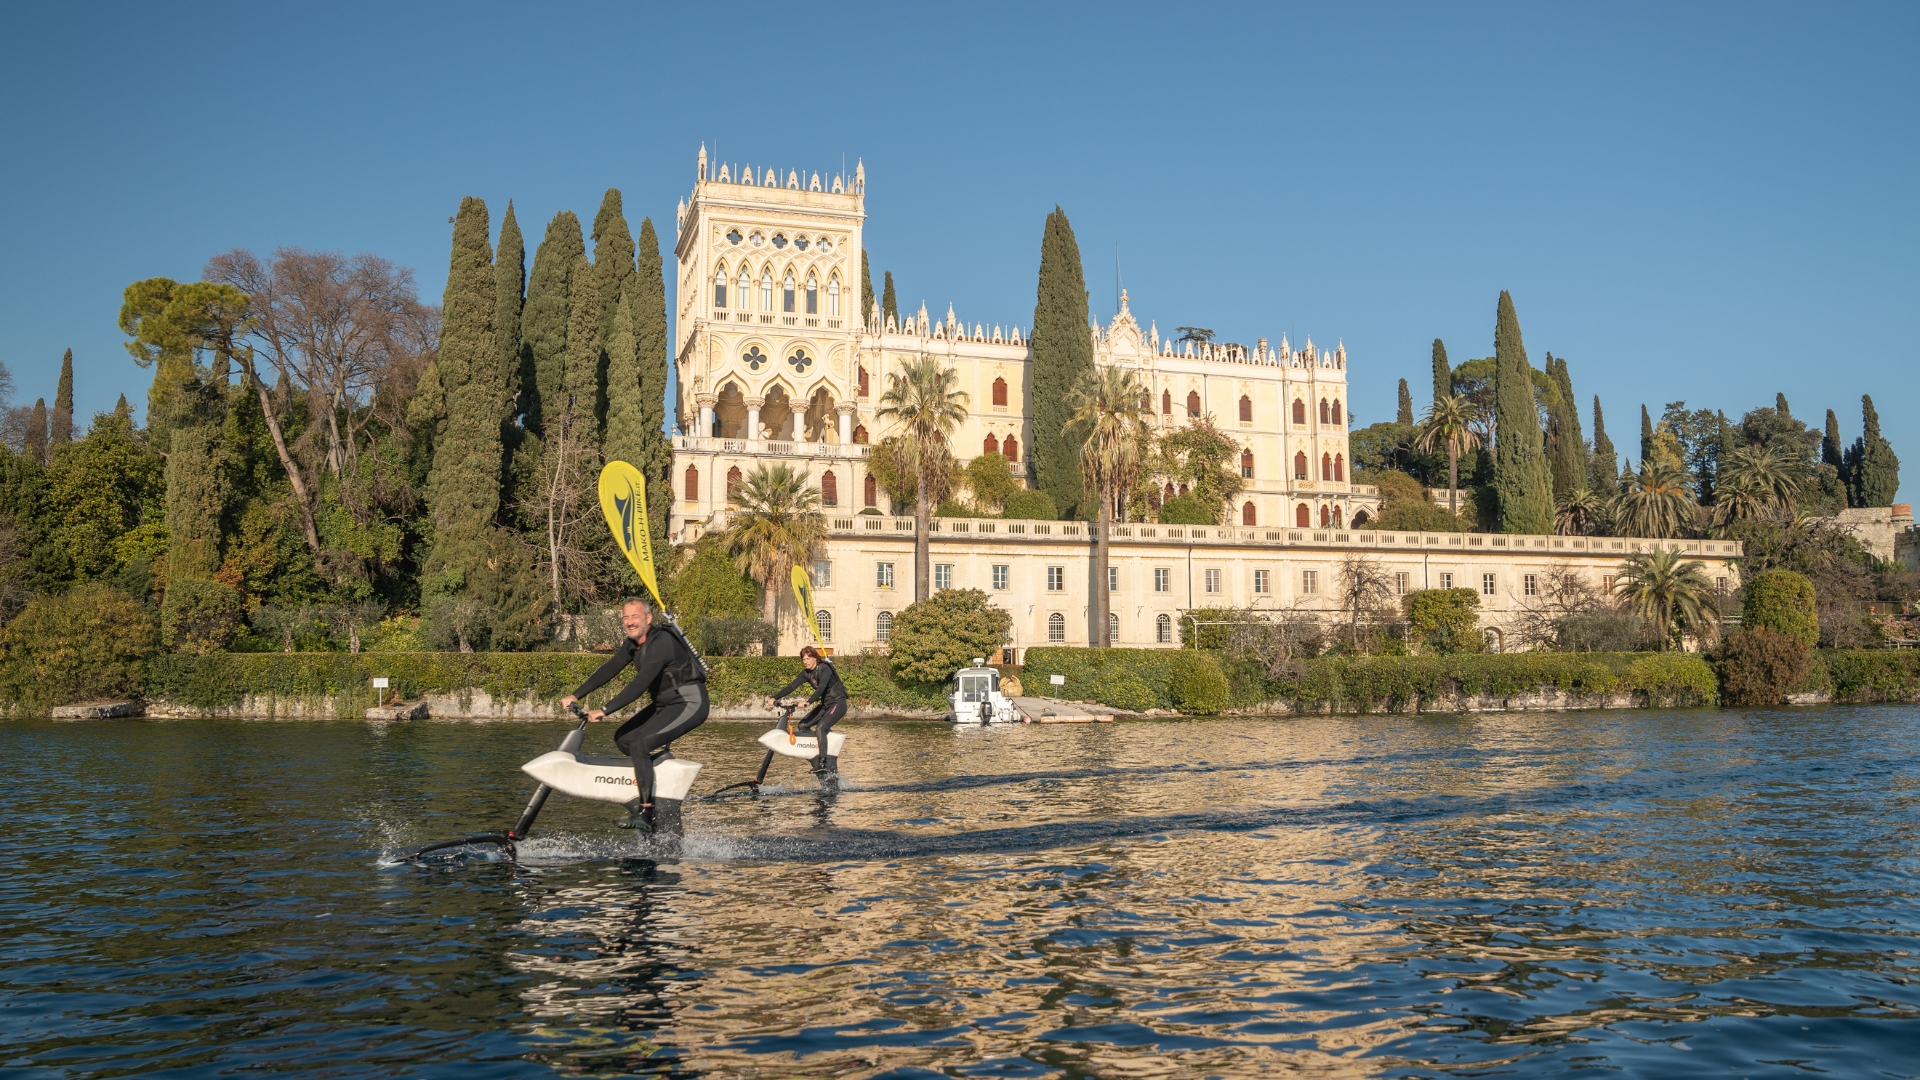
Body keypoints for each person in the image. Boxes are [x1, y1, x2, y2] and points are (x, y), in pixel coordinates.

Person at [559, 597, 708, 830]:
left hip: (689, 703)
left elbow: (639, 684)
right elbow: (610, 667)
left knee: (639, 742)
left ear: (648, 618)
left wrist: (605, 710)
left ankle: (647, 811)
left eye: (635, 616)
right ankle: (654, 778)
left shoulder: (662, 642)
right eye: (625, 618)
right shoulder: (633, 643)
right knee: (624, 739)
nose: (629, 622)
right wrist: (576, 695)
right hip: (664, 704)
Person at [770, 645, 847, 776]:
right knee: (803, 725)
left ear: (815, 658)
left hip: (838, 703)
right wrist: (774, 697)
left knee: (820, 727)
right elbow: (791, 687)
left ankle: (823, 763)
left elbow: (821, 687)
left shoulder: (825, 669)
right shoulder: (806, 673)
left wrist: (808, 701)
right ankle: (816, 751)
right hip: (825, 705)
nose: (805, 661)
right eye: (803, 659)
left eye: (808, 658)